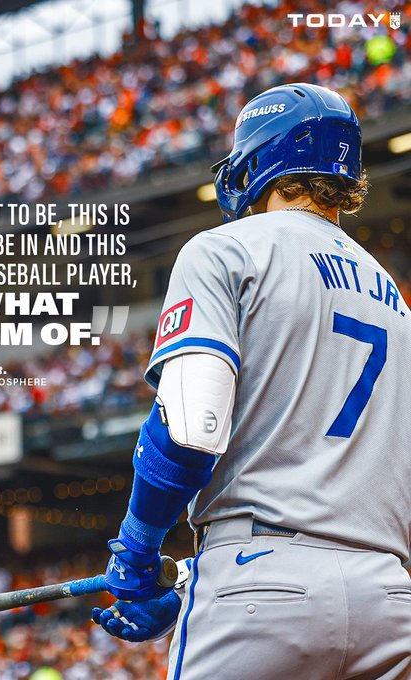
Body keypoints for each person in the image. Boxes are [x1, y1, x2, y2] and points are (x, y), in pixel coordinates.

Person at [91, 83, 411, 679]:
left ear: (261, 161)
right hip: (391, 599)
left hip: (261, 586)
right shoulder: (395, 299)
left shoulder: (223, 250)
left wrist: (138, 547)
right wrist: (190, 579)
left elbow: (193, 427)